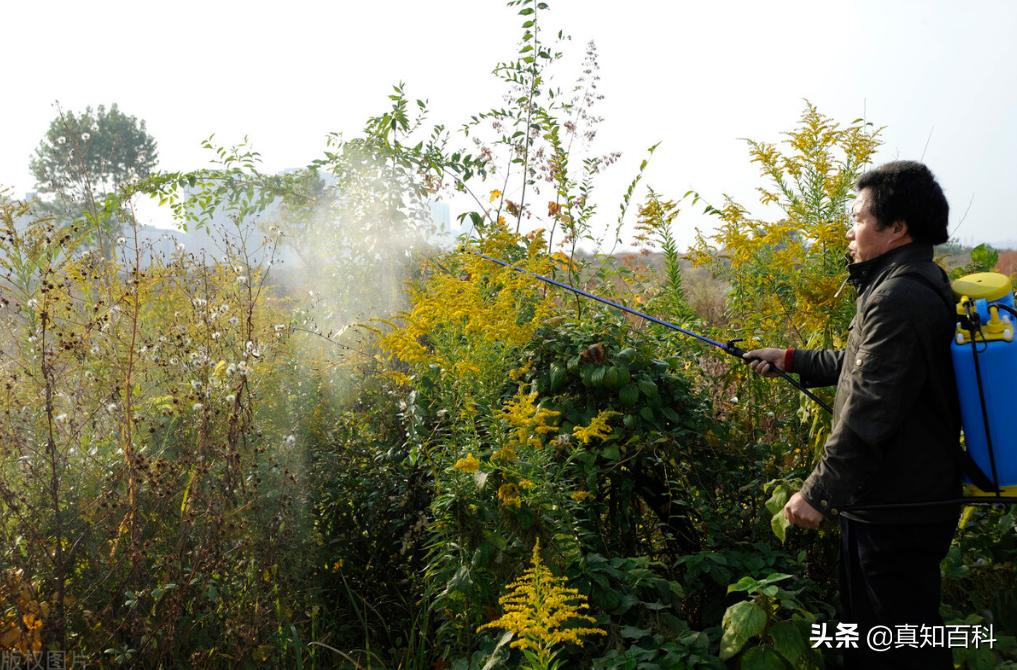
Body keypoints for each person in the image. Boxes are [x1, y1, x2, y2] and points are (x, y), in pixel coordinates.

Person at [744, 161, 960, 669]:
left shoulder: (899, 296)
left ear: (897, 228)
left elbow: (869, 408)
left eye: (860, 216)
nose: (851, 227)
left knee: (899, 648)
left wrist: (818, 492)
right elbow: (866, 369)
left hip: (895, 512)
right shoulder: (912, 280)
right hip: (900, 502)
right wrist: (793, 360)